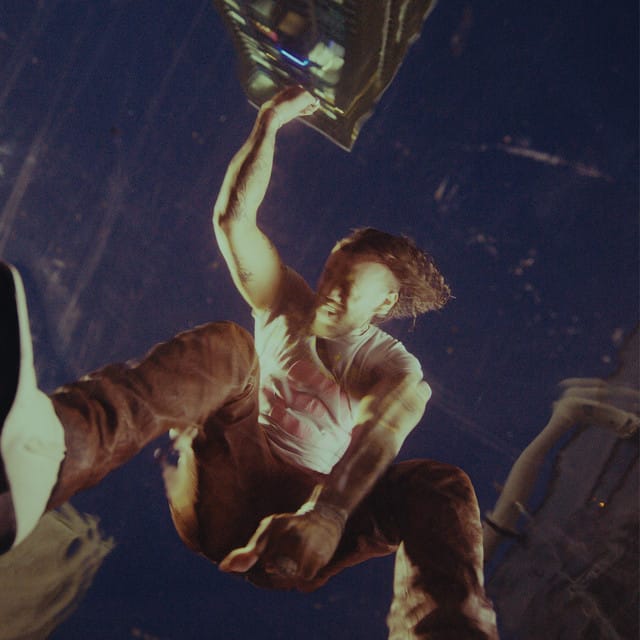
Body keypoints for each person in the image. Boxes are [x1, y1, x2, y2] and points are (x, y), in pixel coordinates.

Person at [0, 87, 498, 639]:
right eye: (329, 276)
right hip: (226, 483)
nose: (327, 294)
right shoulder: (287, 302)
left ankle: (446, 632)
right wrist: (270, 122)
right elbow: (234, 222)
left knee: (440, 485)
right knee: (231, 346)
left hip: (300, 525)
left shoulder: (392, 368)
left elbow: (381, 431)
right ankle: (52, 451)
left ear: (383, 304)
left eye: (346, 290)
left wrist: (328, 514)